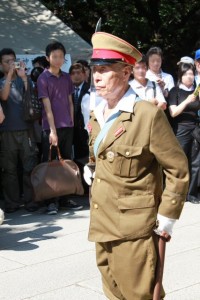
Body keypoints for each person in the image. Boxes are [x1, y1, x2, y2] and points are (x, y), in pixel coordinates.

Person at [83, 32, 189, 300]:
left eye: (105, 70)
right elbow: (102, 154)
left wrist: (168, 217)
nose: (96, 76)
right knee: (113, 293)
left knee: (137, 295)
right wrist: (91, 167)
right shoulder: (98, 114)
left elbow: (178, 169)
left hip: (134, 229)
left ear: (126, 72)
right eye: (95, 70)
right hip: (102, 222)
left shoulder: (147, 115)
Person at [37, 41, 82, 214]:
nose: (58, 60)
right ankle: (51, 201)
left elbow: (70, 102)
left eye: (61, 57)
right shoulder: (43, 78)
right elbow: (47, 107)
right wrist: (53, 131)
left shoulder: (66, 77)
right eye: (54, 56)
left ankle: (64, 198)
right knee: (51, 163)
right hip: (51, 129)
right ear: (48, 58)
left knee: (65, 163)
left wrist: (70, 121)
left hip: (67, 126)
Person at [0, 48, 38, 213]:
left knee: (29, 166)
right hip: (6, 131)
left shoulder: (24, 78)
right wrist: (9, 75)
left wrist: (23, 78)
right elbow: (4, 97)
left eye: (12, 60)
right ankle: (12, 203)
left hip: (26, 130)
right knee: (9, 170)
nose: (10, 64)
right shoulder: (2, 81)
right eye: (7, 61)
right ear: (1, 64)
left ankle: (30, 201)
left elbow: (31, 96)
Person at [168, 62, 200, 204]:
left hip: (195, 128)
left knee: (196, 162)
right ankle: (178, 193)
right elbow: (173, 113)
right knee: (180, 162)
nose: (190, 77)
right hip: (180, 128)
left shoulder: (197, 91)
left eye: (192, 74)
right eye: (187, 74)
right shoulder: (175, 91)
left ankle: (192, 194)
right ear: (181, 76)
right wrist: (187, 101)